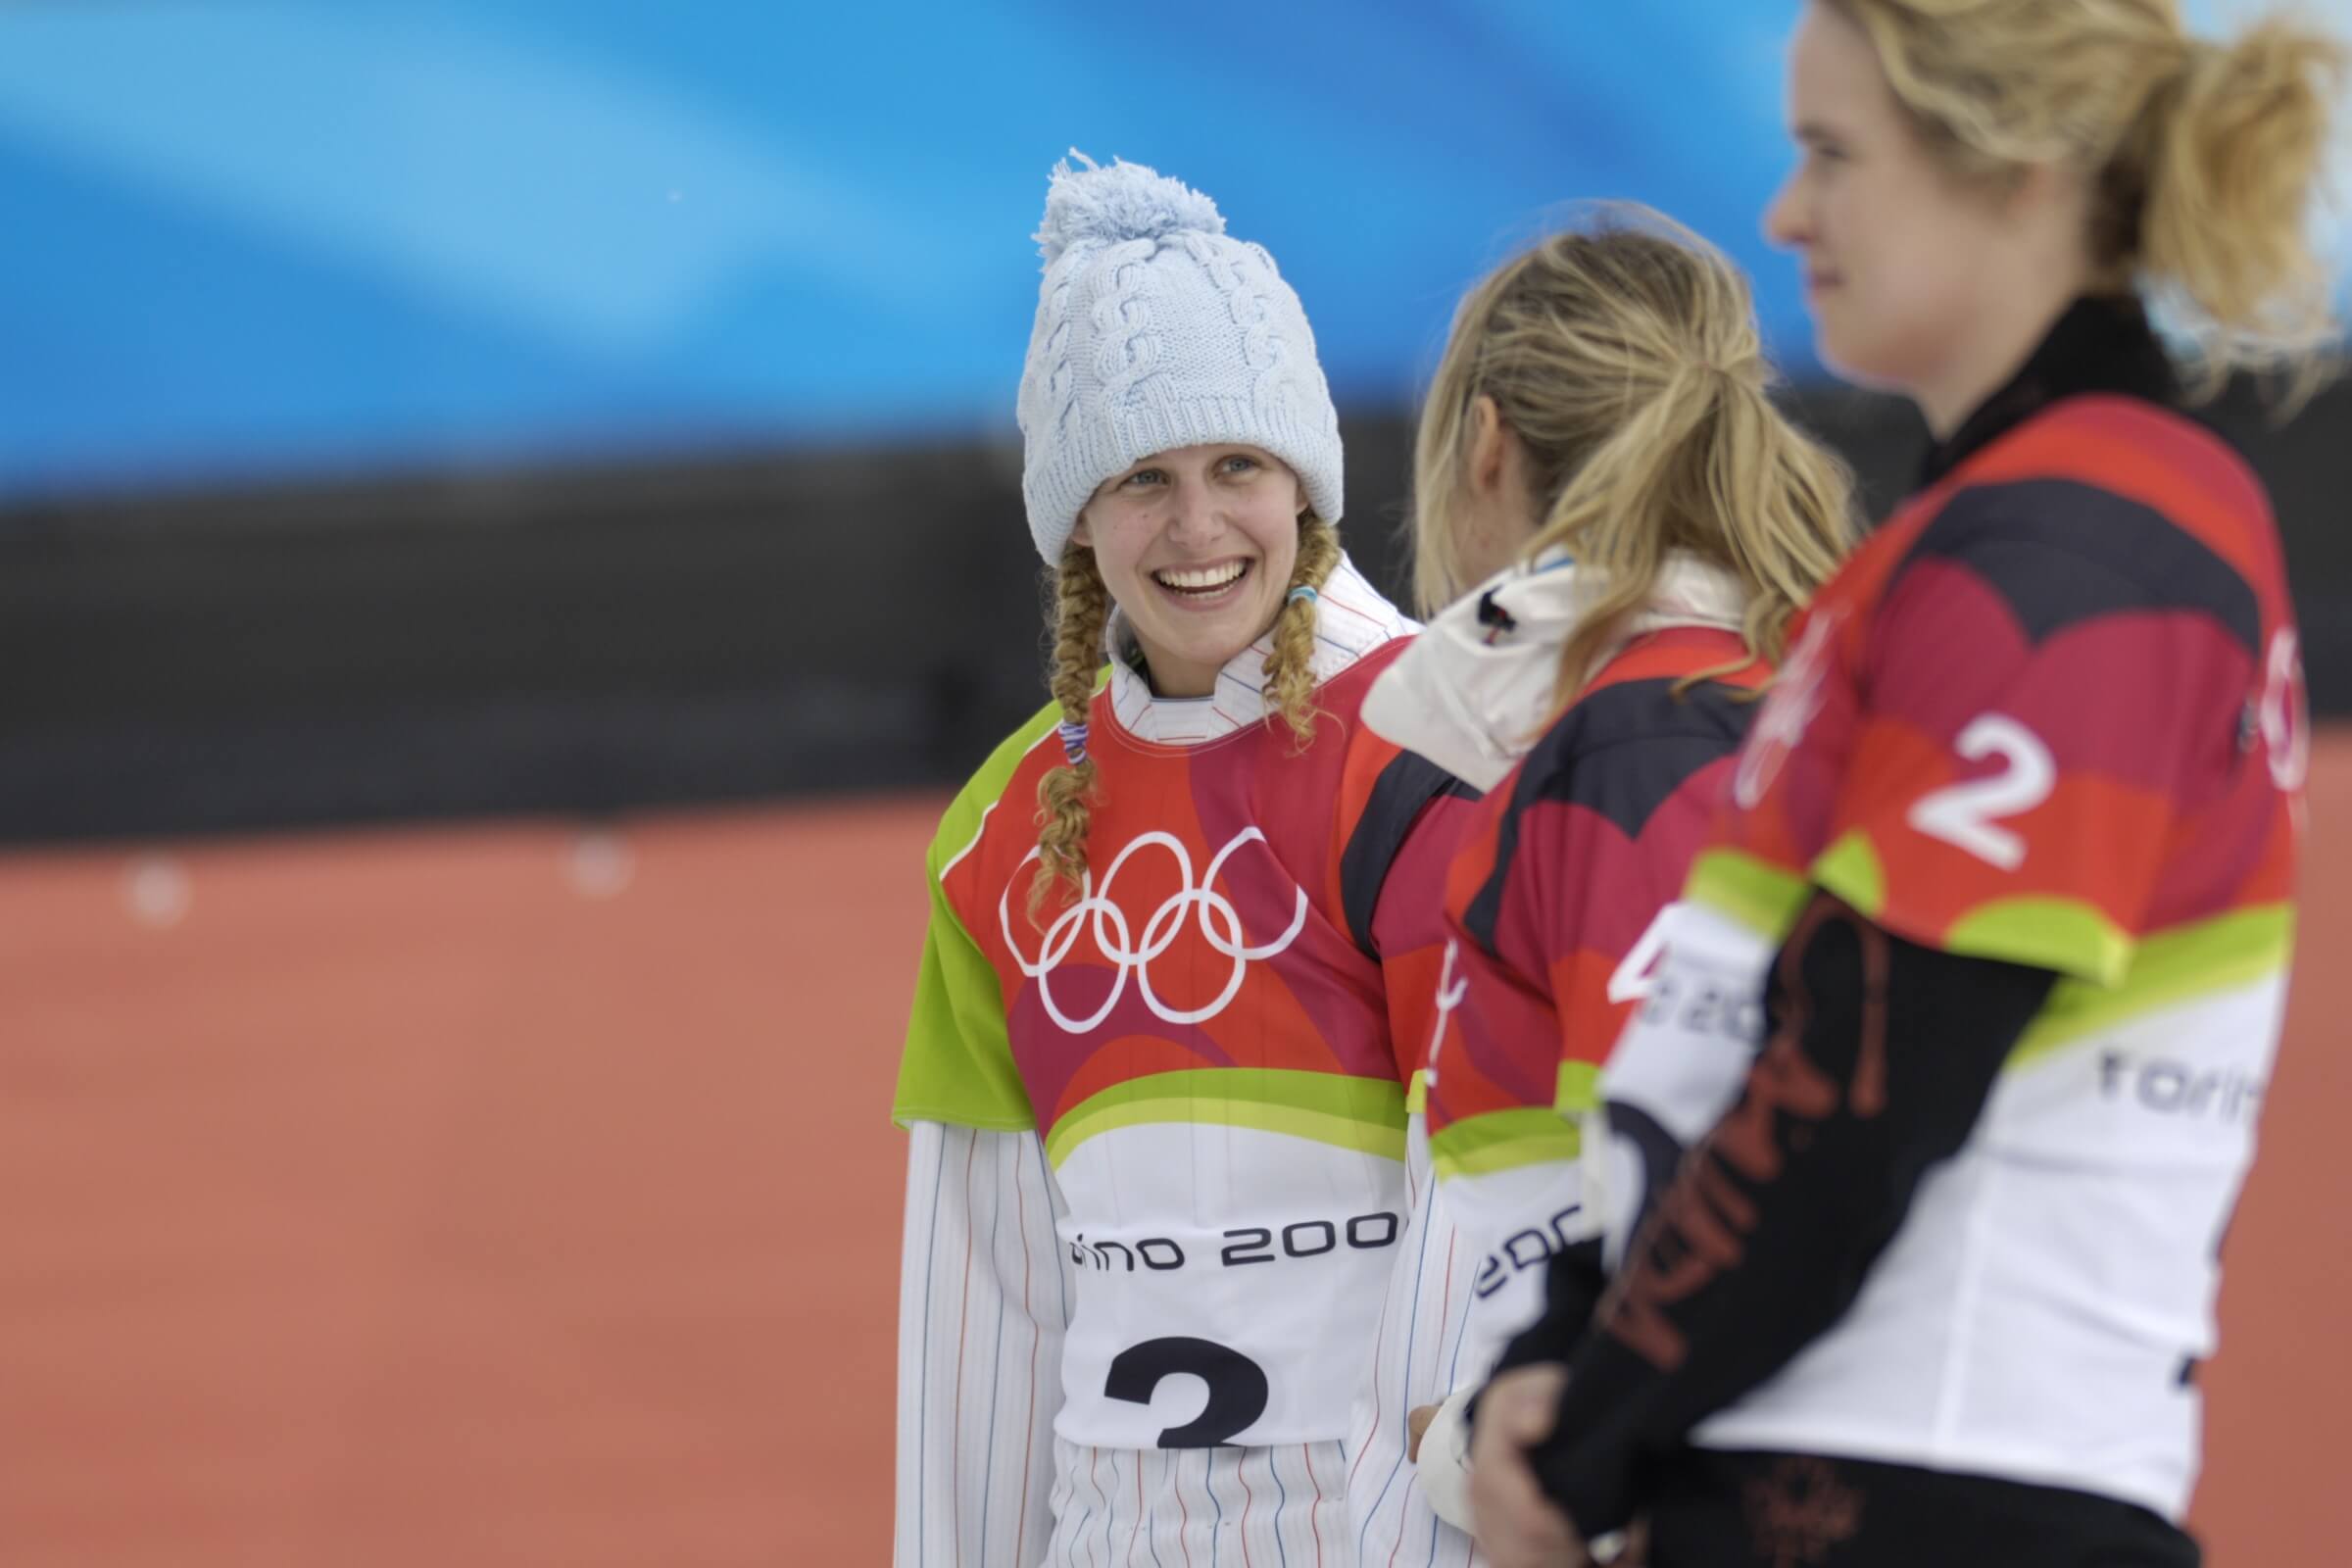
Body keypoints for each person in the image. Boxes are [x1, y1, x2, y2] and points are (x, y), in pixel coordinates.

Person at [1467, 4, 2340, 1565]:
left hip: (1913, 1485)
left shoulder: (2076, 545)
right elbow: (1776, 1037)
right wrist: (1573, 1351)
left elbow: (1875, 1074)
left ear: (2017, 168)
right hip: (1854, 1467)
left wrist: (1594, 1421)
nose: (1787, 214)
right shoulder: (2009, 528)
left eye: (1831, 156)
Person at [893, 154, 1474, 1565]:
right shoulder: (1005, 828)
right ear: (1077, 518)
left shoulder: (1433, 747)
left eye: (1238, 468)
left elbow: (1497, 1204)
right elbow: (986, 1301)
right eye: (1142, 478)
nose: (1199, 527)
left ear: (1307, 488)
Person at [1344, 208, 1855, 1564]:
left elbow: (1709, 1213)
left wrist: (1473, 1448)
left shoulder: (1648, 741)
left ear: (1489, 439)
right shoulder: (1694, 718)